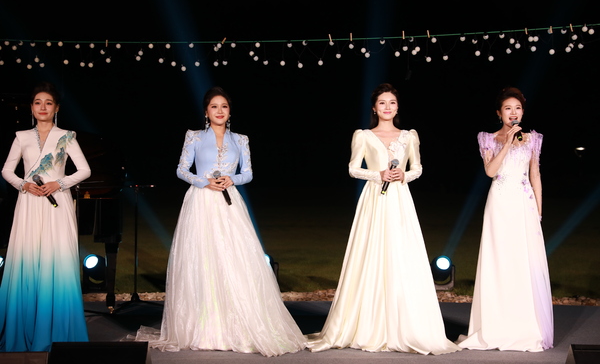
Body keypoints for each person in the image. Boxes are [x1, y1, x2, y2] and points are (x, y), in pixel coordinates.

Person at [134, 86, 305, 356]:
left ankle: (238, 325)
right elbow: (181, 169)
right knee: (203, 259)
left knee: (235, 258)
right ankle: (205, 326)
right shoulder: (193, 137)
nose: (219, 111)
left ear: (230, 111)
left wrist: (231, 179)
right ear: (206, 112)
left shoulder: (241, 140)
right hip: (201, 202)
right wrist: (203, 181)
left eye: (224, 106)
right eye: (214, 106)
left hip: (229, 203)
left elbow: (248, 173)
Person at [307, 83, 460, 355]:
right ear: (374, 108)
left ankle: (405, 326)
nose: (387, 107)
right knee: (371, 253)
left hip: (400, 200)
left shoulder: (409, 136)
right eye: (382, 103)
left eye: (392, 102)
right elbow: (353, 168)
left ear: (397, 107)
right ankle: (368, 324)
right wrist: (377, 174)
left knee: (402, 254)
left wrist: (404, 175)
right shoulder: (364, 136)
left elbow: (418, 168)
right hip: (375, 199)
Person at [458, 87, 553, 352]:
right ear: (499, 113)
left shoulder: (533, 139)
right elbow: (490, 171)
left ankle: (524, 327)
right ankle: (495, 325)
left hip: (523, 204)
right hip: (499, 202)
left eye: (518, 108)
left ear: (523, 112)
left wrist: (538, 211)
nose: (513, 113)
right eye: (508, 108)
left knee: (522, 261)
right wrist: (508, 143)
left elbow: (535, 175)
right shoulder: (488, 138)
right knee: (498, 260)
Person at [0, 82, 91, 352]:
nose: (43, 107)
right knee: (28, 259)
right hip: (29, 203)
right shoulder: (21, 137)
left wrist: (59, 183)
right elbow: (6, 170)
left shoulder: (67, 136)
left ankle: (56, 332)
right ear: (31, 108)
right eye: (38, 102)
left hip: (56, 204)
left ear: (56, 108)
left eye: (48, 103)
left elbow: (84, 170)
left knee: (56, 260)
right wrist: (23, 185)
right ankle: (25, 328)